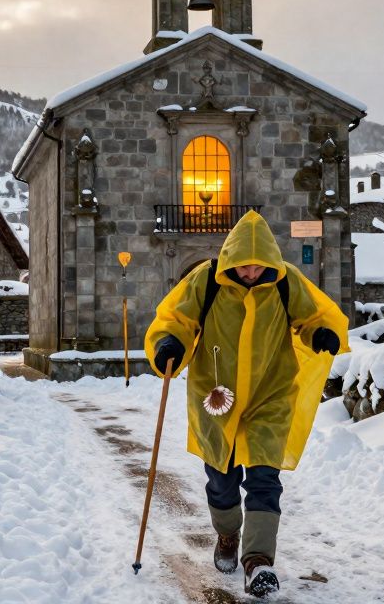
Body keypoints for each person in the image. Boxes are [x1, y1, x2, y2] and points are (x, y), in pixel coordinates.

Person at [144, 211, 348, 598]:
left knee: (264, 480)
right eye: (245, 265)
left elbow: (315, 314)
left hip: (270, 395)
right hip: (215, 395)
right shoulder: (206, 279)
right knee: (222, 481)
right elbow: (175, 319)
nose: (252, 272)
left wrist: (321, 332)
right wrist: (168, 343)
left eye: (259, 265)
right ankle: (227, 533)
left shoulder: (285, 281)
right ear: (232, 259)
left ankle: (258, 562)